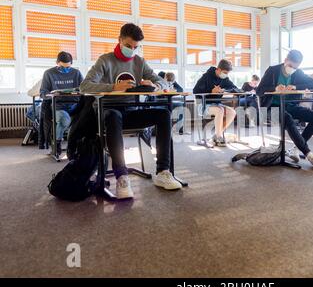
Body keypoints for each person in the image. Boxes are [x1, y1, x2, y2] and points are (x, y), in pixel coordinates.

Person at [80, 23, 183, 199]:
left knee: (164, 114)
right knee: (114, 116)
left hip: (131, 111)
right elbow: (84, 86)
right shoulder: (105, 60)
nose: (132, 50)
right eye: (128, 46)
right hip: (108, 112)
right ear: (119, 40)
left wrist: (155, 84)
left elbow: (164, 82)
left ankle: (163, 172)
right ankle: (122, 177)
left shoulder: (139, 62)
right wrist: (113, 87)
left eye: (136, 47)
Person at [256, 50, 313, 170]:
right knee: (287, 117)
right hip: (270, 108)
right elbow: (259, 91)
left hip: (288, 105)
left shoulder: (297, 73)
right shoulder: (272, 70)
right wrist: (275, 88)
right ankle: (309, 155)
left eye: (295, 67)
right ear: (285, 60)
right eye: (290, 65)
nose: (292, 69)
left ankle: (296, 148)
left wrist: (295, 87)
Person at [40, 52, 83, 157]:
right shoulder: (48, 73)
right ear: (57, 63)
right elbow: (43, 93)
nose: (65, 70)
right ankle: (57, 145)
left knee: (86, 119)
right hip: (58, 106)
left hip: (75, 105)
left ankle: (75, 147)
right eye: (62, 67)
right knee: (65, 119)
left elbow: (84, 89)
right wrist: (53, 94)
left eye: (68, 67)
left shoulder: (76, 73)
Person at [193, 59, 240, 147]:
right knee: (220, 110)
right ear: (218, 69)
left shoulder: (225, 78)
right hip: (202, 105)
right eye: (224, 72)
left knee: (232, 112)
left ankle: (216, 134)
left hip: (216, 104)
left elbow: (234, 88)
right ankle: (219, 137)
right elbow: (195, 91)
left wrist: (224, 90)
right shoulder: (206, 77)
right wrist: (211, 91)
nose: (225, 75)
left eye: (227, 73)